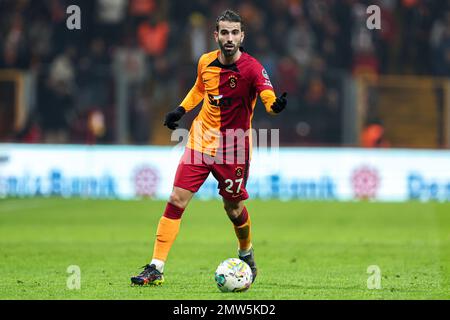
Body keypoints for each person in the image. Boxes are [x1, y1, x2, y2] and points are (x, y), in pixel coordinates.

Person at [131, 9, 287, 286]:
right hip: (200, 141)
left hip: (234, 147)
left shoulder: (252, 68)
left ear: (242, 36)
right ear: (216, 35)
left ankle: (246, 252)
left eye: (234, 33)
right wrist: (180, 110)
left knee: (234, 208)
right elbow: (199, 90)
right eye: (224, 32)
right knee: (176, 199)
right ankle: (156, 267)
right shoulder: (205, 62)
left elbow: (268, 98)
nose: (229, 38)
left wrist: (275, 106)